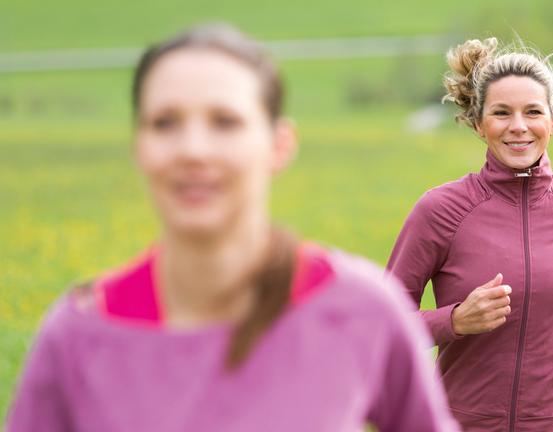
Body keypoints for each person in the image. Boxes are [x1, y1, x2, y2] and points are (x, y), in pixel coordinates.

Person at [8, 24, 459, 432]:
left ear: (278, 145)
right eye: (165, 123)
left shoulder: (363, 311)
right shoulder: (78, 337)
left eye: (225, 122)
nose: (193, 150)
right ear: (139, 147)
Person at [387, 37, 553, 431]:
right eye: (502, 113)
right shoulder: (439, 211)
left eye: (533, 112)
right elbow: (385, 321)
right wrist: (453, 321)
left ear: (552, 121)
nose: (518, 127)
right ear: (478, 122)